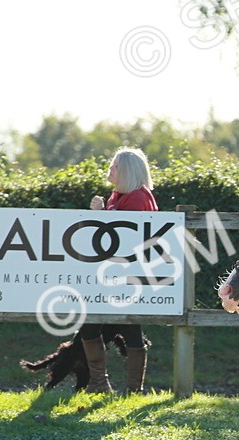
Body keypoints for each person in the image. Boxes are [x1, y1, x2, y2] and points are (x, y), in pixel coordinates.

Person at [81, 147, 157, 394]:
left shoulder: (137, 198)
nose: (110, 169)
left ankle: (117, 387)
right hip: (115, 275)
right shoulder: (119, 196)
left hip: (128, 275)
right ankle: (104, 384)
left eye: (114, 166)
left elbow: (125, 238)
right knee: (102, 327)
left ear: (126, 170)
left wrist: (100, 215)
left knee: (127, 326)